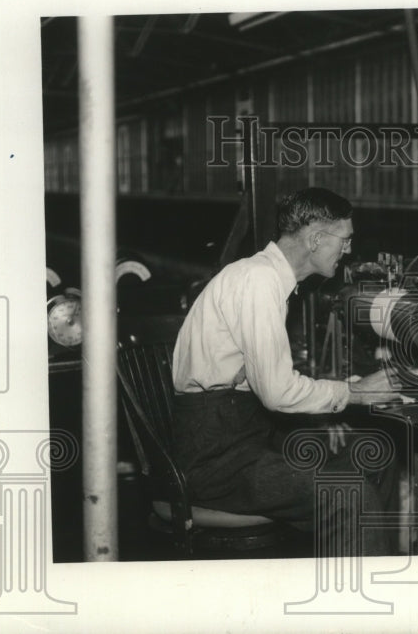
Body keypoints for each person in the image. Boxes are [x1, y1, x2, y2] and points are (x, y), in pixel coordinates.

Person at [171, 187, 400, 556]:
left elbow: (260, 387)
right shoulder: (259, 280)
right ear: (315, 239)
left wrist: (321, 414)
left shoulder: (265, 277)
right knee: (350, 494)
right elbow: (276, 393)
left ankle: (373, 570)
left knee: (376, 454)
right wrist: (355, 393)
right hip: (216, 456)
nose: (349, 249)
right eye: (345, 239)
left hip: (243, 432)